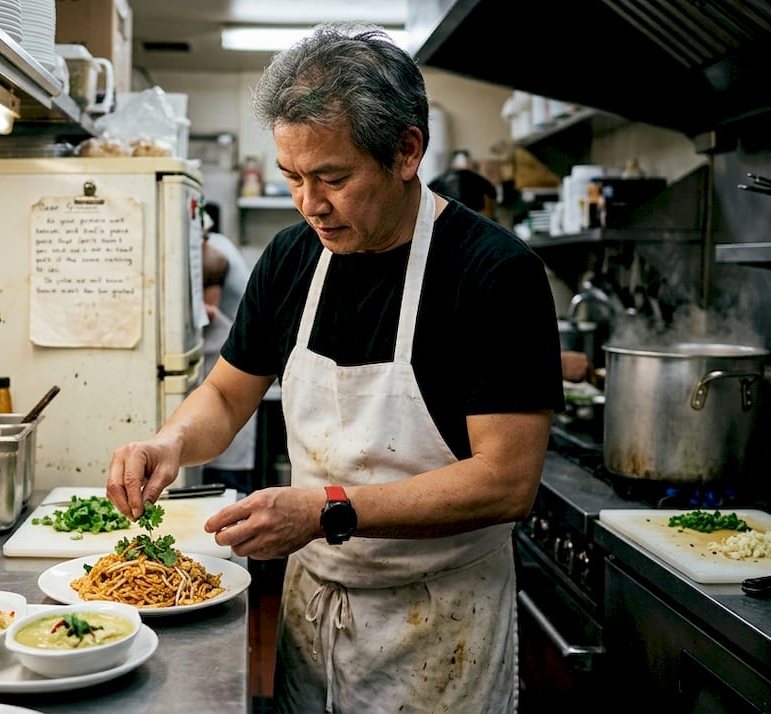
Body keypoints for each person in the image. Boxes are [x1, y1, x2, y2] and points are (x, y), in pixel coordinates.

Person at [107, 24, 562, 714]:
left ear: (406, 151)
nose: (310, 204)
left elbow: (505, 482)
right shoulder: (292, 259)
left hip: (442, 624)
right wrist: (168, 442)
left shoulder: (495, 273)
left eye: (334, 178)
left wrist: (327, 510)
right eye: (293, 177)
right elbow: (226, 394)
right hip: (313, 611)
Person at [428, 169, 595, 384]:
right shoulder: (442, 276)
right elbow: (465, 359)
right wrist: (557, 364)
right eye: (487, 221)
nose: (491, 232)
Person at [200, 202, 258, 493]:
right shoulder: (216, 244)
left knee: (226, 490)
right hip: (219, 378)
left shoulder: (213, 253)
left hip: (230, 377)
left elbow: (208, 311)